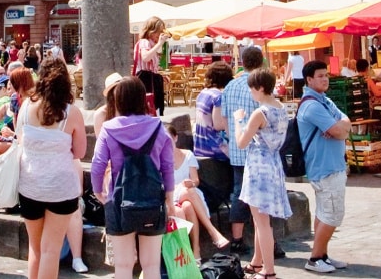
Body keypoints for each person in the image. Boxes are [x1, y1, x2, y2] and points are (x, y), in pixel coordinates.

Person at [92, 77, 173, 279]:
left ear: (118, 100)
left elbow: (98, 164)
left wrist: (99, 193)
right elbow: (167, 167)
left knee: (123, 265)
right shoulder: (157, 127)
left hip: (118, 200)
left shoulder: (109, 129)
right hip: (153, 199)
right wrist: (169, 197)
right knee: (152, 264)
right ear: (142, 100)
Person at [17, 56, 89, 279]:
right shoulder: (71, 113)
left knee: (35, 248)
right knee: (51, 249)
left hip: (30, 185)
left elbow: (20, 139)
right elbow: (80, 152)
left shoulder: (27, 106)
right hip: (60, 186)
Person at [232, 68, 291, 279]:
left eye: (252, 89)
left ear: (260, 88)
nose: (251, 93)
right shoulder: (281, 108)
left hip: (258, 167)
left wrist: (239, 120)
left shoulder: (260, 113)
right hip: (274, 164)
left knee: (261, 222)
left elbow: (241, 142)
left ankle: (269, 270)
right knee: (262, 219)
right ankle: (258, 262)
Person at [296, 62, 349, 274]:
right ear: (309, 79)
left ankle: (323, 255)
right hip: (324, 168)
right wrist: (340, 130)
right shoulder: (312, 105)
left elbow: (346, 121)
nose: (325, 79)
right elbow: (339, 129)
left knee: (324, 212)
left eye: (326, 75)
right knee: (333, 214)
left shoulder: (324, 100)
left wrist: (341, 129)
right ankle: (315, 257)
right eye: (320, 76)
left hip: (333, 165)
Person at [218, 46, 265, 255]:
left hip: (237, 148)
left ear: (242, 62)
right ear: (261, 62)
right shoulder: (261, 84)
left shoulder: (230, 86)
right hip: (258, 149)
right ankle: (266, 239)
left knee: (239, 193)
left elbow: (224, 119)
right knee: (262, 195)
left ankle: (236, 239)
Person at [165, 121, 230, 259]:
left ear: (175, 138)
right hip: (172, 194)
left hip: (189, 194)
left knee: (188, 204)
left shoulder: (187, 154)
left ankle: (195, 250)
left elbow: (196, 181)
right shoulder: (160, 159)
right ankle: (213, 232)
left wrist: (190, 183)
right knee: (188, 193)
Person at [192, 61, 233, 213]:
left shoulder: (203, 93)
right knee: (241, 154)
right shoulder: (218, 96)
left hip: (200, 145)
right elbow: (218, 125)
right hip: (213, 147)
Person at [134, 18, 168, 115]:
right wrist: (159, 44)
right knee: (148, 108)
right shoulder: (145, 42)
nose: (160, 34)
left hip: (148, 80)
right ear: (151, 31)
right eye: (159, 31)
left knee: (149, 108)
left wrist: (158, 76)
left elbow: (149, 66)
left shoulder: (151, 44)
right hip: (145, 82)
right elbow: (145, 57)